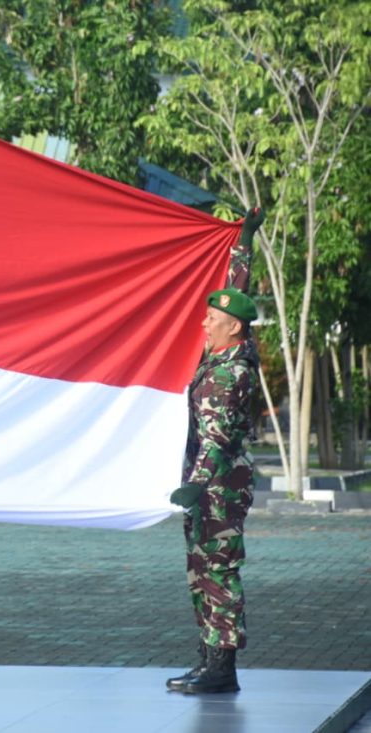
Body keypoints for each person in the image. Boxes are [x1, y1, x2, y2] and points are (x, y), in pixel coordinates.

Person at [166, 209, 263, 695]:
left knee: (218, 570)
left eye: (212, 319)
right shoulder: (223, 351)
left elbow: (218, 438)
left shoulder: (232, 374)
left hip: (219, 486)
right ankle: (208, 658)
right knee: (199, 569)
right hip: (208, 487)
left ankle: (221, 668)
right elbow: (237, 286)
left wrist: (195, 485)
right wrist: (243, 242)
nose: (203, 323)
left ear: (233, 330)